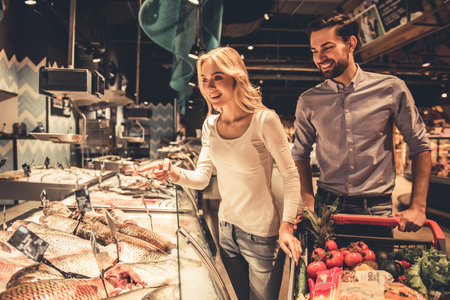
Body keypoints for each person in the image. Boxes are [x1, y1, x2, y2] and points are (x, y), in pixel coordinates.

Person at [149, 47, 302, 300]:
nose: (210, 86)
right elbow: (201, 178)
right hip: (226, 230)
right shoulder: (210, 124)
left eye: (217, 77)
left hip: (262, 235)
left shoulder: (264, 120)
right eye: (205, 80)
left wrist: (287, 226)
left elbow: (290, 175)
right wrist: (174, 173)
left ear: (236, 76)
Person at [292, 14, 431, 235]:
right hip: (327, 208)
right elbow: (299, 154)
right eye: (314, 51)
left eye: (327, 48)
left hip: (376, 209)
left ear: (351, 43)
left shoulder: (391, 89)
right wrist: (308, 200)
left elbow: (420, 145)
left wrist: (418, 207)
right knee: (323, 268)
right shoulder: (308, 100)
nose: (320, 58)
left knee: (378, 268)